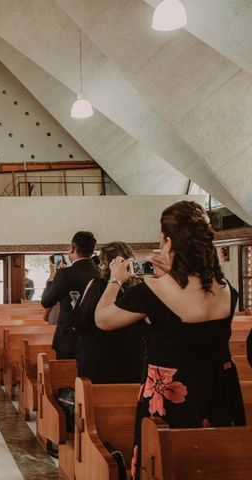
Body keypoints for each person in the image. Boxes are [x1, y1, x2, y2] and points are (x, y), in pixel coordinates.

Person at [95, 201, 245, 479]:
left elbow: (103, 319)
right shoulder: (227, 290)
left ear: (167, 241)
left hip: (171, 401)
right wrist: (170, 274)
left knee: (166, 468)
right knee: (214, 467)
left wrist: (115, 280)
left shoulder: (153, 289)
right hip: (220, 393)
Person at [71, 242, 144, 383]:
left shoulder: (98, 285)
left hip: (100, 356)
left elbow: (80, 324)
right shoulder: (140, 289)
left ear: (105, 264)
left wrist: (78, 308)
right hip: (132, 358)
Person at [41, 232, 100, 359]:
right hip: (94, 337)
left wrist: (52, 277)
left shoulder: (65, 274)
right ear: (92, 250)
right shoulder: (99, 272)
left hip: (69, 339)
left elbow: (46, 301)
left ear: (72, 247)